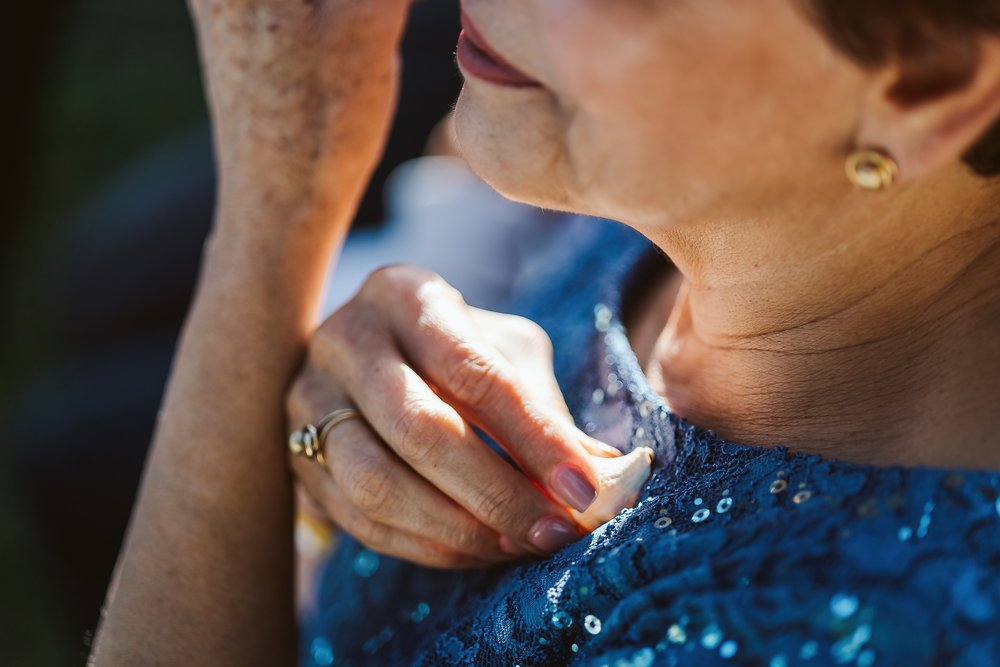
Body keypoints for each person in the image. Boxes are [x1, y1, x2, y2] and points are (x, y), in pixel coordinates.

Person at [91, 0, 1000, 665]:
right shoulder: (717, 183)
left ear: (926, 87)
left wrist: (276, 212)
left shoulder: (846, 627)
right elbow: (482, 165)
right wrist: (341, 449)